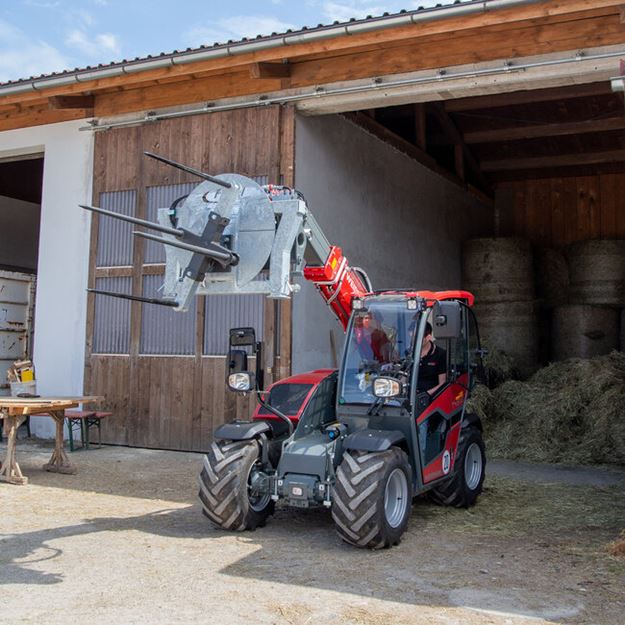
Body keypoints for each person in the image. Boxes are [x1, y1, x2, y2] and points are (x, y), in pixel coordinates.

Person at [417, 321, 447, 396]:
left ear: (428, 337)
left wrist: (425, 394)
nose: (415, 342)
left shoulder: (440, 354)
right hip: (412, 394)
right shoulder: (409, 353)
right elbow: (404, 376)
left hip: (431, 396)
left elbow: (443, 383)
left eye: (418, 338)